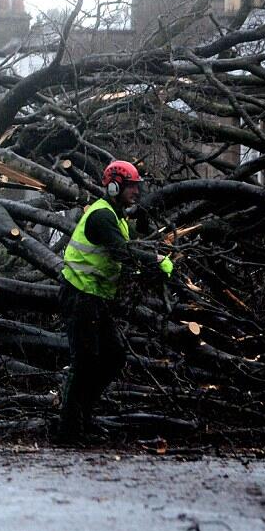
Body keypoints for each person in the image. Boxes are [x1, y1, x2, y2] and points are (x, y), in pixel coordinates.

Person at [56, 160, 173, 444]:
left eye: (137, 186)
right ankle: (69, 431)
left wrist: (150, 263)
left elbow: (129, 251)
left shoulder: (118, 218)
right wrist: (156, 261)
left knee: (113, 356)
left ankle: (85, 418)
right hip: (80, 294)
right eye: (131, 186)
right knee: (84, 360)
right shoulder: (101, 216)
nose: (136, 192)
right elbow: (123, 253)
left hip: (95, 297)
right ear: (114, 186)